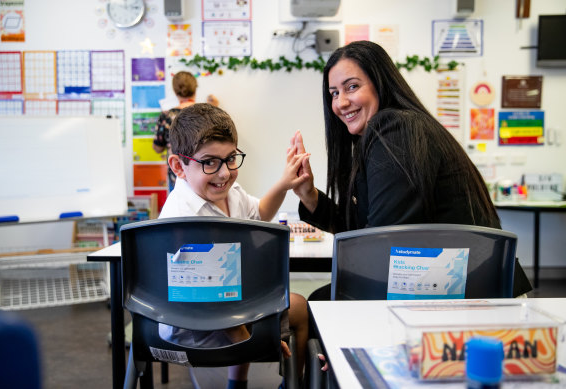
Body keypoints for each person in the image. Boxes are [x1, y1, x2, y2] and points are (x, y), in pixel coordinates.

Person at [289, 40, 532, 300]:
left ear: (380, 83)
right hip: (460, 283)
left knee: (315, 304)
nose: (341, 102)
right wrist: (309, 194)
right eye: (334, 93)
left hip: (469, 295)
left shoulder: (395, 129)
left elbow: (378, 241)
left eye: (352, 87)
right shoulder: (392, 131)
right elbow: (361, 231)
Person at [159, 103, 311, 389]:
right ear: (179, 166)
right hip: (194, 326)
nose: (224, 173)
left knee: (243, 292)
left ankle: (238, 382)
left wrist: (283, 184)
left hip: (224, 307)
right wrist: (249, 341)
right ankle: (291, 384)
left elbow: (259, 214)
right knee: (297, 309)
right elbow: (210, 302)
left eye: (231, 158)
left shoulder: (231, 194)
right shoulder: (184, 216)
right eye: (209, 162)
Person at [153, 71, 219, 192]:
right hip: (205, 173)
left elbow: (157, 148)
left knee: (179, 208)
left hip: (177, 175)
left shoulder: (167, 116)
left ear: (175, 90)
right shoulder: (207, 113)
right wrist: (214, 107)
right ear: (195, 88)